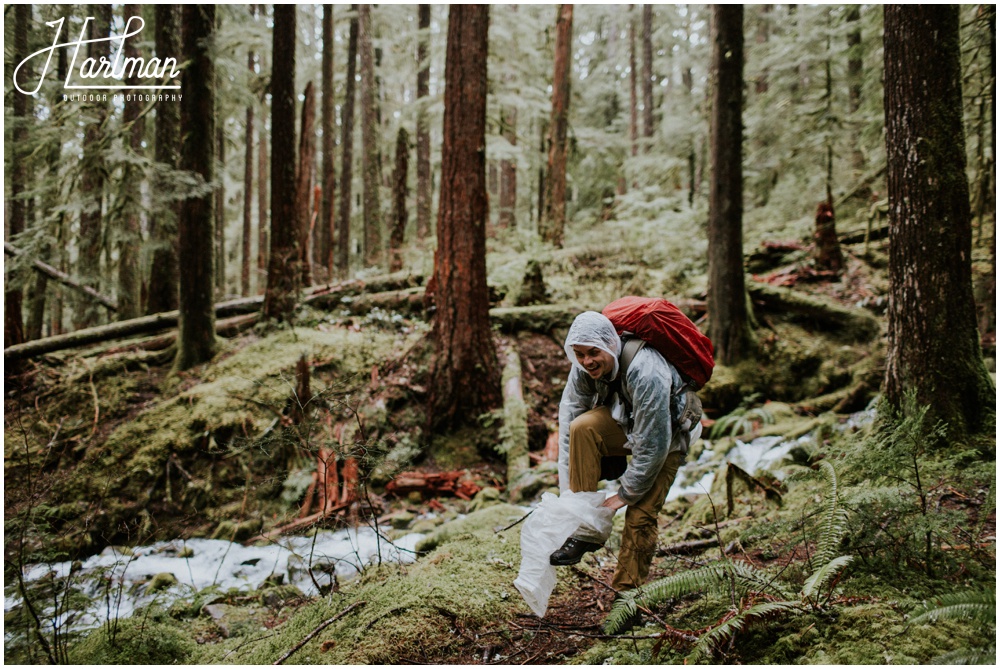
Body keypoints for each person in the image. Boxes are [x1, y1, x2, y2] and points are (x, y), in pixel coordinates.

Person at [551, 310, 702, 593]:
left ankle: (627, 597)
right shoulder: (583, 367)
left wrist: (624, 494)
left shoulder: (646, 371)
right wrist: (568, 501)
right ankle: (587, 531)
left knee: (640, 515)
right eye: (580, 354)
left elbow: (653, 444)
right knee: (582, 427)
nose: (587, 361)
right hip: (627, 420)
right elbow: (569, 419)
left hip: (668, 436)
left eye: (593, 352)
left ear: (610, 344)